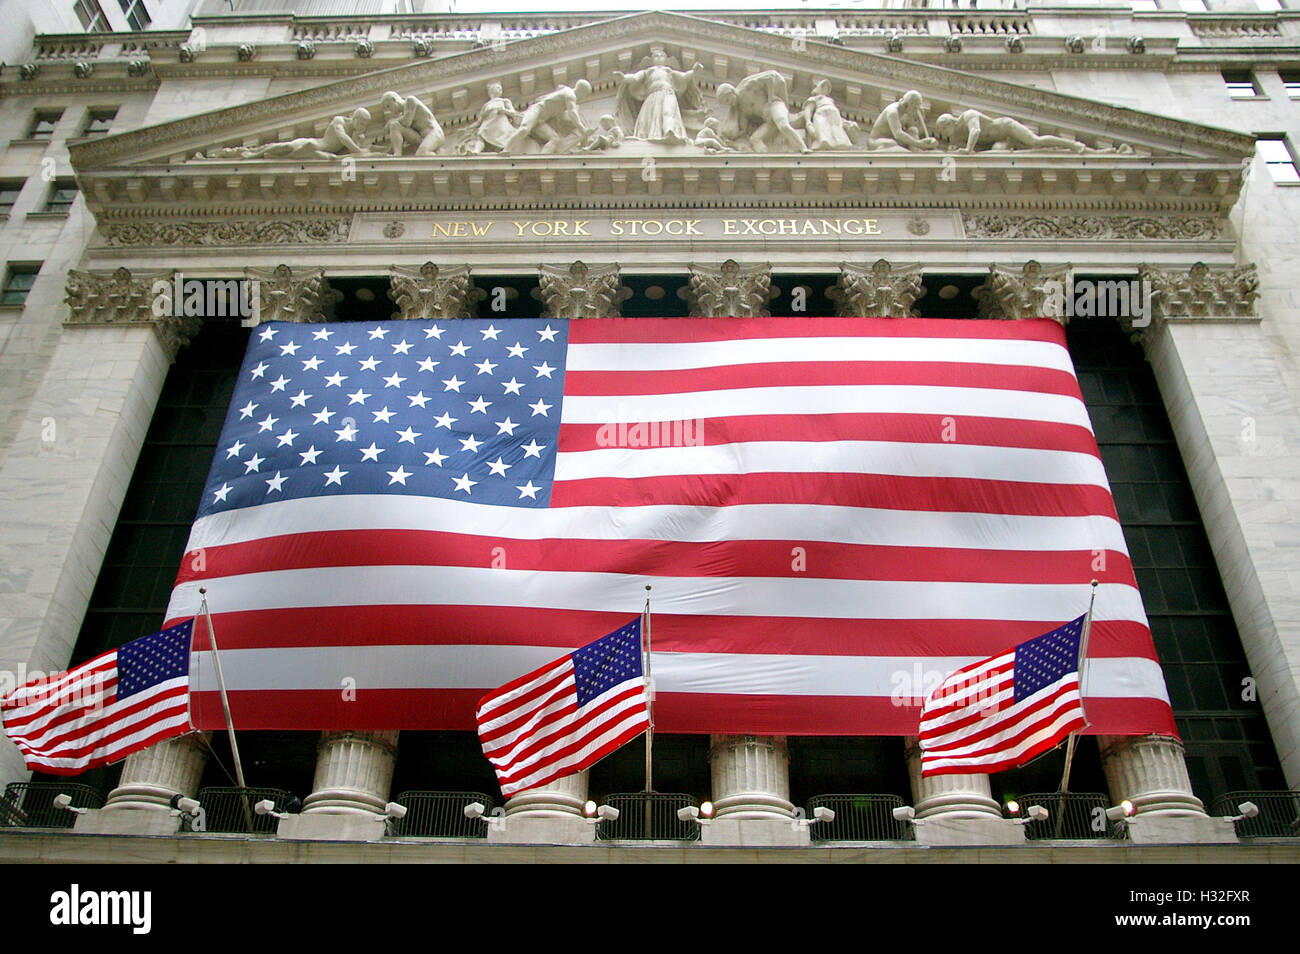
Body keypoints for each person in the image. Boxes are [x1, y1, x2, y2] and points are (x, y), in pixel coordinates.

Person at [613, 46, 707, 144]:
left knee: (668, 112)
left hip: (667, 93)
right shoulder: (648, 71)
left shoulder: (668, 71)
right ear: (652, 60)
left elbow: (684, 77)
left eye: (661, 56)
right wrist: (623, 78)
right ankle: (653, 135)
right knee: (650, 118)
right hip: (652, 96)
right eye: (656, 56)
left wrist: (694, 71)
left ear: (666, 59)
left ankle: (670, 132)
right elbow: (634, 78)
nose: (659, 57)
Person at [716, 70, 808, 153]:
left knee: (783, 125)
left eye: (727, 100)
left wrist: (770, 97)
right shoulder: (741, 110)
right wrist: (731, 142)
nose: (729, 103)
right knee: (754, 139)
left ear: (732, 92)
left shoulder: (747, 87)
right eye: (726, 103)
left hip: (774, 106)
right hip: (768, 121)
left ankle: (803, 147)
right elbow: (743, 130)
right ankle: (767, 165)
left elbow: (770, 78)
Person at [933, 108, 1088, 153]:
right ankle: (1055, 150)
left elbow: (976, 132)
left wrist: (967, 149)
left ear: (948, 124)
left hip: (1006, 128)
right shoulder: (955, 137)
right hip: (998, 141)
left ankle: (1073, 145)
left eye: (942, 131)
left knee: (1035, 141)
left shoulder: (968, 115)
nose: (944, 136)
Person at [502, 79, 594, 155]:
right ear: (582, 91)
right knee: (524, 129)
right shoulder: (570, 95)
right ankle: (506, 150)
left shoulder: (565, 94)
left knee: (555, 139)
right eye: (584, 95)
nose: (582, 98)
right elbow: (573, 113)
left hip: (541, 121)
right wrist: (583, 130)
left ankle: (541, 160)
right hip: (536, 111)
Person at [868, 90, 938, 151]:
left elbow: (913, 131)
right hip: (877, 142)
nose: (915, 111)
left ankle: (917, 153)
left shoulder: (907, 112)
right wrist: (919, 144)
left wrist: (928, 142)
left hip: (897, 141)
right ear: (907, 105)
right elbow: (898, 134)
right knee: (891, 143)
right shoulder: (892, 112)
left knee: (913, 130)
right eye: (915, 108)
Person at [462, 82, 521, 154]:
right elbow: (479, 121)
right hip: (487, 124)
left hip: (500, 124)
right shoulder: (486, 105)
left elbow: (513, 113)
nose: (500, 89)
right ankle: (476, 151)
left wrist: (503, 110)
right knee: (481, 135)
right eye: (498, 87)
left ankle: (505, 150)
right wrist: (468, 128)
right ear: (491, 90)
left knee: (504, 137)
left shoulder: (504, 101)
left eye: (501, 88)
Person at [380, 91, 444, 157]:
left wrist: (391, 121)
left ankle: (442, 160)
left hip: (434, 133)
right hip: (421, 138)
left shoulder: (410, 100)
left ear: (393, 100)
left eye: (388, 106)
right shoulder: (402, 116)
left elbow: (406, 122)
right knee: (395, 125)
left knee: (422, 153)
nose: (390, 110)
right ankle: (397, 154)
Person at [802, 79, 856, 151]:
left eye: (827, 87)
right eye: (824, 86)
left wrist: (846, 122)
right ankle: (823, 143)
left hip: (834, 116)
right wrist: (808, 122)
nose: (825, 88)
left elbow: (839, 117)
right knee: (822, 129)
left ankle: (840, 144)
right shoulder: (815, 98)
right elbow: (808, 109)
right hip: (821, 114)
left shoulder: (830, 100)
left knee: (836, 130)